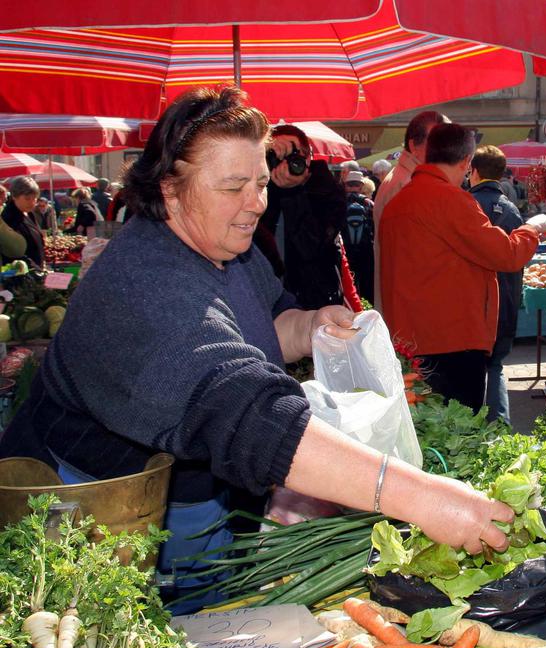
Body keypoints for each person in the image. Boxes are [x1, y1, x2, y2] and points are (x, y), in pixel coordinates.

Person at [0, 87, 513, 612]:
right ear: (170, 190)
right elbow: (252, 417)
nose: (256, 203)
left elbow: (267, 322)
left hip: (199, 495)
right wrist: (424, 498)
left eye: (262, 182)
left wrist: (312, 324)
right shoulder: (145, 288)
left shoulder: (227, 246)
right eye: (233, 186)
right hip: (93, 518)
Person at [381, 123, 546, 411]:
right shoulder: (449, 200)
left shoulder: (399, 202)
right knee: (460, 437)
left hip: (411, 341)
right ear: (466, 162)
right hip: (451, 343)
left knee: (427, 436)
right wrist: (532, 229)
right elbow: (506, 255)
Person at [255, 123, 362, 312]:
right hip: (265, 301)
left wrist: (294, 192)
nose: (285, 165)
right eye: (276, 158)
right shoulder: (257, 193)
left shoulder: (326, 191)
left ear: (308, 157)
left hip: (315, 305)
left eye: (293, 157)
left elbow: (310, 247)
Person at [468, 145, 525, 424]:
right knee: (496, 367)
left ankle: (478, 428)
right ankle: (500, 426)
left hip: (473, 305)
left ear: (474, 172)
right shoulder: (512, 210)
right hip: (505, 302)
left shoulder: (465, 205)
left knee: (472, 371)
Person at [372, 110, 449, 311]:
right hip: (410, 304)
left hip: (405, 300)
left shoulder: (405, 178)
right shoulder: (407, 184)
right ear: (414, 145)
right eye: (436, 142)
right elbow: (415, 257)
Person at [342, 170, 375, 302]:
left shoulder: (339, 202)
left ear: (345, 185)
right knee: (367, 285)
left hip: (346, 250)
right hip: (365, 251)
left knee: (349, 284)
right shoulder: (369, 204)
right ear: (361, 186)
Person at [1, 176, 44, 268]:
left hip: (36, 272)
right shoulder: (9, 218)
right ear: (14, 196)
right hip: (19, 275)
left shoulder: (30, 214)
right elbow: (13, 251)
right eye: (27, 199)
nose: (32, 202)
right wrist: (35, 267)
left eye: (35, 198)